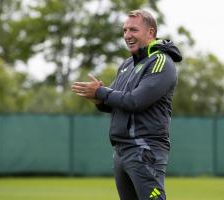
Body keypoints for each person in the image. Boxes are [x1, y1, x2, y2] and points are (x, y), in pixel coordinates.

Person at [71, 9, 182, 200]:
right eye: (124, 30)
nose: (127, 35)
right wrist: (97, 97)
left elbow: (135, 101)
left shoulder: (161, 62)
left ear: (151, 32)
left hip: (144, 149)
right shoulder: (127, 65)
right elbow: (111, 103)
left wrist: (101, 92)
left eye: (133, 30)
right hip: (121, 151)